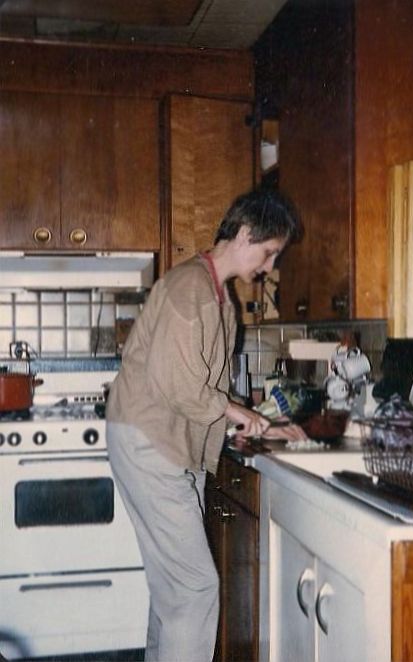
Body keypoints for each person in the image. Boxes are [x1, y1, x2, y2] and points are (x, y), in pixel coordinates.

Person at [105, 188, 306, 662]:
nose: (270, 266)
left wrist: (261, 423)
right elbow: (179, 384)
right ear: (244, 234)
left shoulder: (219, 298)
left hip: (164, 443)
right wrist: (240, 414)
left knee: (176, 590)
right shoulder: (189, 288)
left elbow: (205, 389)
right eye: (269, 252)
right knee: (194, 589)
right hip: (151, 442)